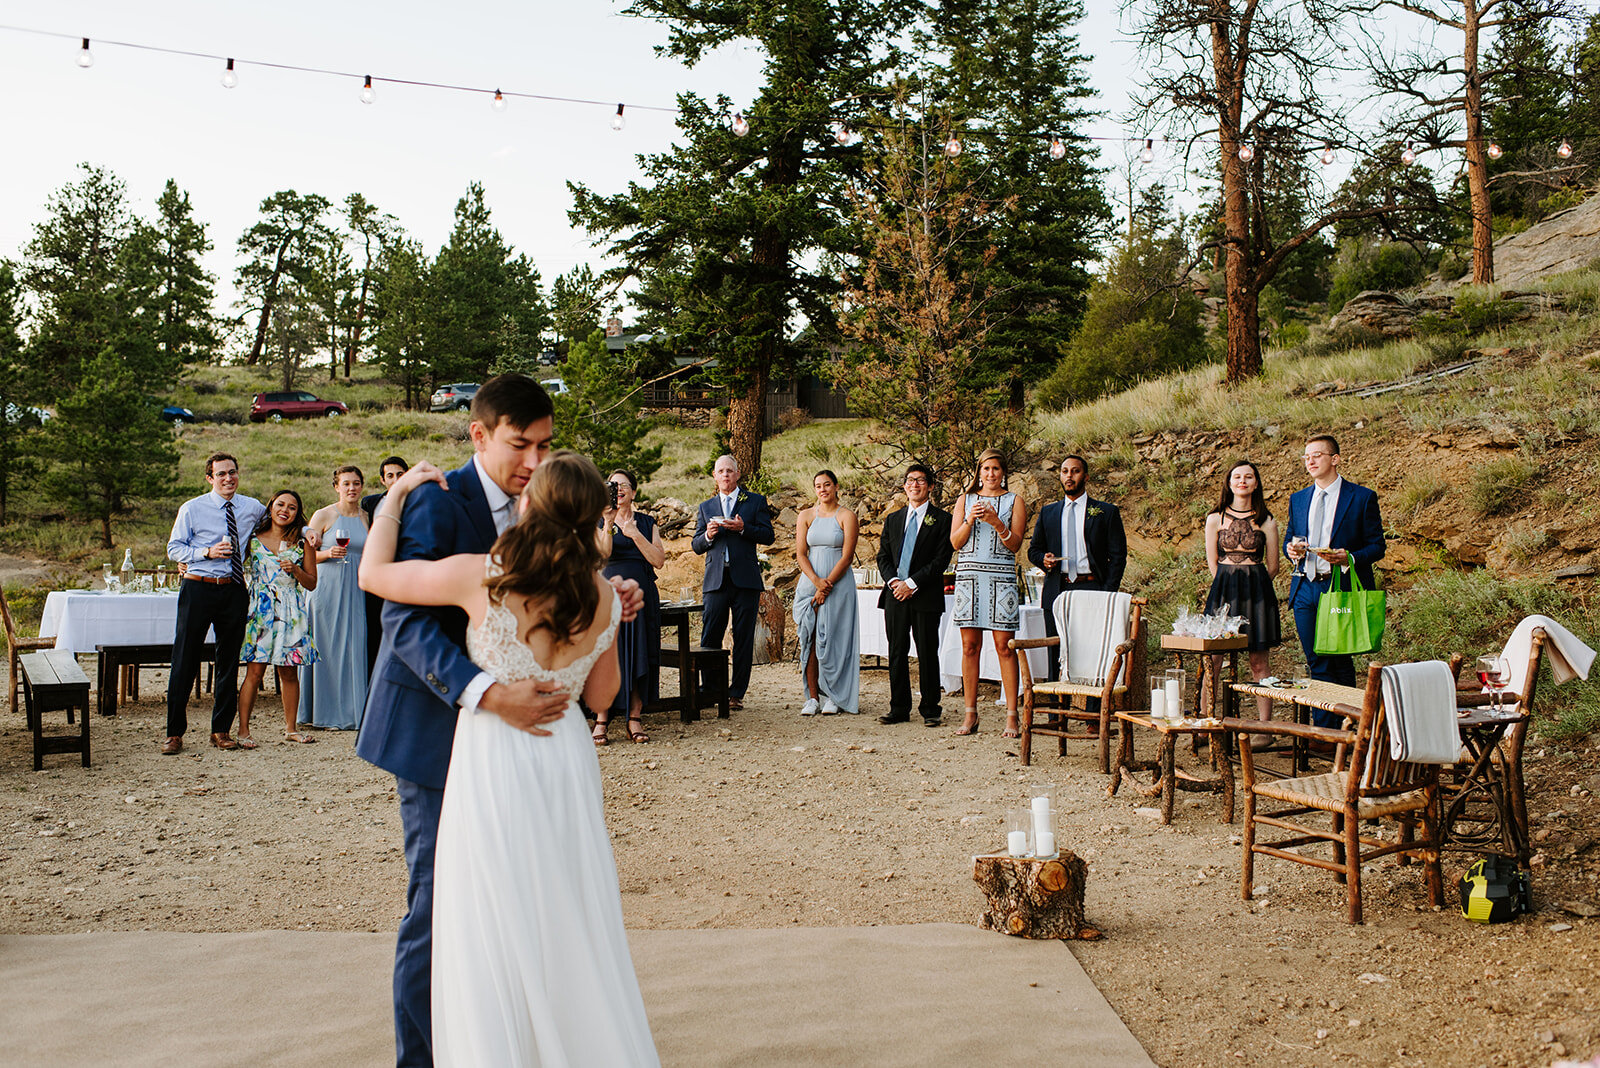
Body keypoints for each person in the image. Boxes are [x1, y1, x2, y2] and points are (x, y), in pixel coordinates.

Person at [354, 374, 642, 1067]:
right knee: (439, 909)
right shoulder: (436, 502)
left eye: (545, 446)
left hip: (526, 743)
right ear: (479, 435)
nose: (535, 462)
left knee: (533, 901)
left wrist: (607, 599)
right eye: (522, 445)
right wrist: (484, 691)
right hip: (439, 728)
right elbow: (404, 621)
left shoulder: (534, 518)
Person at [162, 453, 266, 755]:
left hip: (233, 589)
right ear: (210, 478)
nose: (228, 479)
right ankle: (174, 733)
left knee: (228, 662)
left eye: (232, 472)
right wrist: (206, 552)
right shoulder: (192, 508)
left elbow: (279, 522)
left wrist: (307, 531)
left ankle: (220, 730)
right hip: (198, 587)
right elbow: (173, 548)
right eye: (221, 474)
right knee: (184, 659)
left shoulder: (251, 507)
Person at [1282, 434, 1386, 727]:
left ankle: (1340, 729)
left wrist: (1349, 558)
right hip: (1304, 586)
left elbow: (1377, 545)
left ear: (1335, 459)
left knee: (1338, 659)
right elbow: (1291, 536)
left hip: (1338, 587)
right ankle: (1331, 731)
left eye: (1316, 455)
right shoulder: (1298, 498)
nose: (1310, 461)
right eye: (1306, 457)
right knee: (1316, 659)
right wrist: (1290, 549)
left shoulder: (1362, 497)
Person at [1027, 454, 1128, 685]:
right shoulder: (1048, 512)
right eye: (1064, 471)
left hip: (1092, 586)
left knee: (1092, 649)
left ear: (1086, 476)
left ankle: (1093, 714)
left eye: (1075, 471)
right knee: (1055, 647)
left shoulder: (1106, 511)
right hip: (1057, 587)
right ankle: (1056, 711)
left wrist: (1107, 592)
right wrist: (1044, 559)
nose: (1069, 476)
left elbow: (1118, 555)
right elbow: (1033, 550)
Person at [950, 449, 1029, 738]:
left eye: (995, 468)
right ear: (978, 472)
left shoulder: (1015, 501)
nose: (990, 474)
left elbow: (1015, 545)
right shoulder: (965, 499)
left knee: (1003, 647)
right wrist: (970, 519)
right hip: (969, 578)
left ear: (1003, 471)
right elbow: (955, 543)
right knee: (969, 646)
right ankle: (970, 714)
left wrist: (997, 522)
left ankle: (1012, 715)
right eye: (985, 469)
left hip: (1001, 578)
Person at [690, 454, 774, 712]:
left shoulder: (755, 501)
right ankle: (710, 690)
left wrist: (743, 528)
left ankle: (736, 693)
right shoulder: (706, 506)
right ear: (715, 476)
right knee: (709, 637)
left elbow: (768, 535)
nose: (725, 475)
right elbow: (695, 545)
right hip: (715, 579)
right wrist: (707, 535)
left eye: (730, 471)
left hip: (745, 579)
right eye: (721, 471)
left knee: (744, 637)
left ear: (737, 474)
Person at [237, 489, 319, 747]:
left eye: (292, 507)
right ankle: (243, 730)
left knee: (289, 673)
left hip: (291, 612)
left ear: (297, 513)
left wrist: (295, 569)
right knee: (254, 672)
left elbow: (312, 583)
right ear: (270, 507)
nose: (285, 510)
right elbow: (233, 564)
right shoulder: (253, 540)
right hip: (260, 611)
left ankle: (291, 728)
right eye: (280, 504)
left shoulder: (302, 543)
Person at [1203, 461, 1281, 726]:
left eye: (1249, 477)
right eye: (1237, 476)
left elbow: (1273, 567)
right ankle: (1206, 720)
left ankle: (1264, 726)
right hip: (1223, 592)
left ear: (1256, 483)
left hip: (1257, 595)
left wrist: (1253, 587)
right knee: (1213, 660)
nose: (1242, 481)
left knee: (1259, 662)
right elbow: (1213, 563)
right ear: (1229, 482)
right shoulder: (1215, 519)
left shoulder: (1267, 521)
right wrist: (1228, 585)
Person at [875, 463, 953, 727]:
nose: (915, 485)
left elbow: (941, 559)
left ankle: (931, 708)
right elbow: (883, 556)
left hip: (925, 594)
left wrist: (912, 583)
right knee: (896, 651)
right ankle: (899, 707)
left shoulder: (943, 519)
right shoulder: (894, 519)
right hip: (895, 594)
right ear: (904, 485)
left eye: (921, 480)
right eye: (910, 480)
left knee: (927, 652)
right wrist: (895, 581)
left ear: (930, 486)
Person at [595, 469, 664, 744]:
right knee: (606, 655)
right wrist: (609, 524)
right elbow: (601, 557)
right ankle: (602, 718)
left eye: (624, 485)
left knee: (639, 653)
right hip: (608, 597)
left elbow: (658, 560)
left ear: (633, 492)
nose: (618, 489)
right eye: (613, 485)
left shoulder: (647, 523)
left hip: (641, 597)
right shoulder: (599, 520)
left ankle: (634, 717)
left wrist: (634, 533)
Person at [300, 465, 370, 730]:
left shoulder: (367, 517)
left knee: (354, 646)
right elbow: (304, 556)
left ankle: (353, 713)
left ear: (362, 486)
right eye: (346, 483)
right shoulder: (324, 515)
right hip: (326, 590)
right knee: (326, 647)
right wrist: (327, 554)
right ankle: (320, 713)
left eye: (356, 483)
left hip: (356, 589)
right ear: (336, 487)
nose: (351, 488)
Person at [792, 469, 860, 716]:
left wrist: (827, 584)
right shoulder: (806, 516)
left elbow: (847, 556)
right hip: (811, 580)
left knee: (834, 638)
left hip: (838, 583)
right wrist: (816, 583)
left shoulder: (847, 516)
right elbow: (801, 553)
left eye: (827, 485)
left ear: (836, 486)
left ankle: (834, 695)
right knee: (809, 638)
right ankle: (812, 697)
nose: (823, 490)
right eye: (818, 486)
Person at [362, 456, 410, 672]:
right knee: (375, 627)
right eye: (390, 475)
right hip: (376, 574)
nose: (395, 479)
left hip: (406, 574)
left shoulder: (418, 500)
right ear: (382, 480)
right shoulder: (370, 503)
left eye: (400, 474)